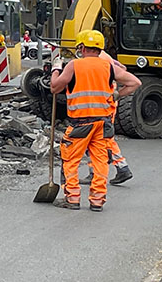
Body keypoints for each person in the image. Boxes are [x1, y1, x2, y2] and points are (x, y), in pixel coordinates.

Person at [49, 30, 141, 212]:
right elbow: (135, 83)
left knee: (70, 159)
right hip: (103, 123)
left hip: (80, 123)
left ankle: (72, 198)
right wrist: (116, 95)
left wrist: (55, 69)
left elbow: (54, 87)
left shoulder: (74, 65)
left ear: (82, 47)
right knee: (100, 161)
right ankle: (97, 201)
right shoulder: (109, 67)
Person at [81, 49, 133, 185]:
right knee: (96, 138)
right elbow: (122, 67)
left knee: (103, 137)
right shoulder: (104, 55)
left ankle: (122, 167)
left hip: (102, 105)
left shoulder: (97, 58)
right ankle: (94, 171)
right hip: (106, 102)